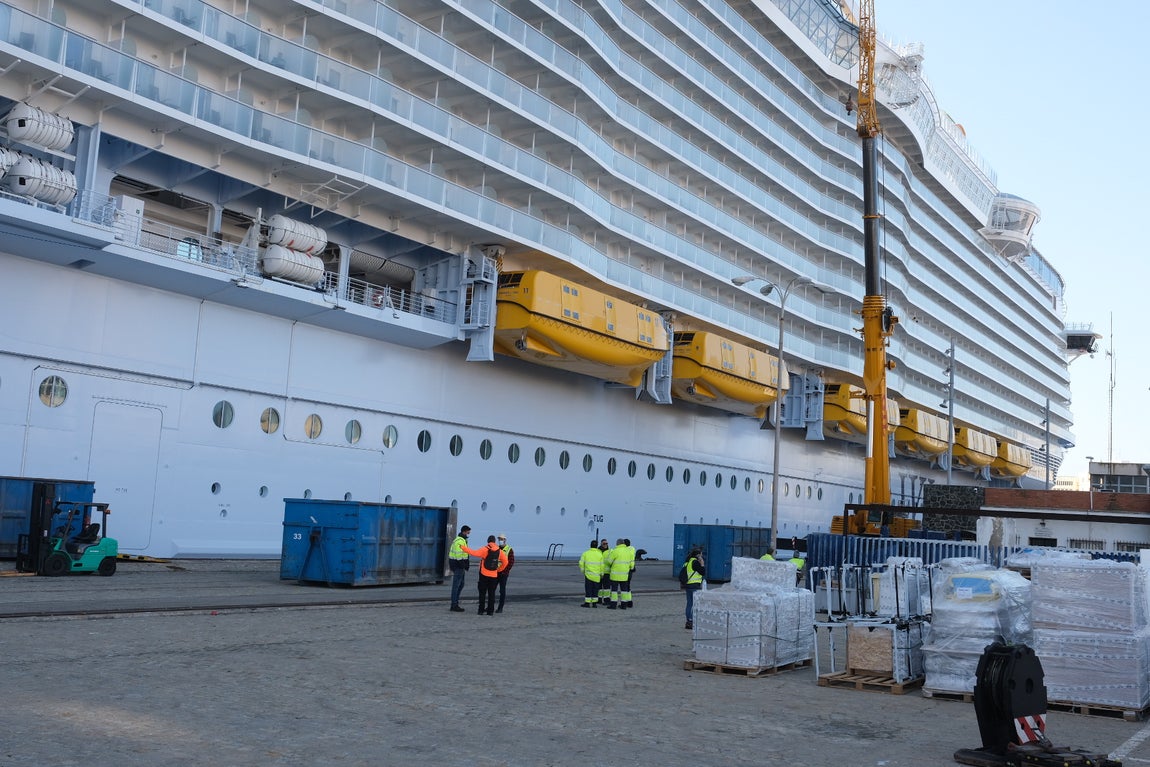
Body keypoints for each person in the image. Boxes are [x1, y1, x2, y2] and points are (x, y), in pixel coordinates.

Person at [463, 535, 508, 615]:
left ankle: (481, 610)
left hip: (484, 574)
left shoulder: (485, 549)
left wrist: (463, 548)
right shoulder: (499, 551)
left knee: (482, 593)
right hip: (494, 575)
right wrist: (499, 569)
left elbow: (474, 553)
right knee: (492, 594)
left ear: (488, 541)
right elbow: (505, 562)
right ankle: (490, 611)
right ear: (494, 541)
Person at [448, 525, 472, 612]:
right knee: (456, 585)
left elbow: (464, 553)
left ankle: (455, 603)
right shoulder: (460, 541)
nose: (469, 534)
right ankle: (454, 604)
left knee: (461, 584)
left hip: (458, 565)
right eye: (468, 532)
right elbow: (459, 555)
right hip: (458, 565)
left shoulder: (462, 540)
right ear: (464, 531)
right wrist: (463, 565)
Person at [606, 538, 635, 609]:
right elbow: (632, 565)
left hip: (615, 575)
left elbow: (609, 561)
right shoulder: (629, 552)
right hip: (624, 575)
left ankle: (613, 605)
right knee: (624, 591)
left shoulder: (615, 551)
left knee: (614, 591)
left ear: (618, 543)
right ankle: (624, 605)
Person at [682, 547, 705, 630]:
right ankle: (692, 621)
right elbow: (702, 572)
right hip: (694, 585)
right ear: (698, 555)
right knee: (694, 604)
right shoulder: (695, 562)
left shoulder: (687, 562)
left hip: (688, 585)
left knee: (689, 604)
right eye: (701, 554)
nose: (702, 556)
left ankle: (688, 621)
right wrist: (702, 564)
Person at [578, 538, 604, 607]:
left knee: (588, 589)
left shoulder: (586, 553)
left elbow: (581, 563)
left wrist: (583, 571)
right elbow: (602, 565)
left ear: (590, 545)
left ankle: (587, 603)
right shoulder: (600, 554)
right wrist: (602, 574)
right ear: (597, 546)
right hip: (597, 576)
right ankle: (594, 603)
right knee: (595, 590)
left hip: (588, 575)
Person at [495, 534, 514, 612]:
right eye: (499, 539)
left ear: (505, 540)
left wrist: (505, 571)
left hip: (503, 574)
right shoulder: (496, 548)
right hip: (495, 572)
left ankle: (500, 608)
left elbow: (511, 562)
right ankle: (490, 606)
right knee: (492, 590)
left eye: (502, 539)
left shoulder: (509, 549)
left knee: (502, 591)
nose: (500, 540)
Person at [597, 538, 611, 605]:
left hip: (607, 572)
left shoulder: (610, 551)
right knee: (599, 587)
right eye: (604, 543)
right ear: (601, 544)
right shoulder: (598, 551)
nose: (605, 545)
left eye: (606, 543)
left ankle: (606, 600)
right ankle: (599, 599)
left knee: (607, 588)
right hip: (599, 572)